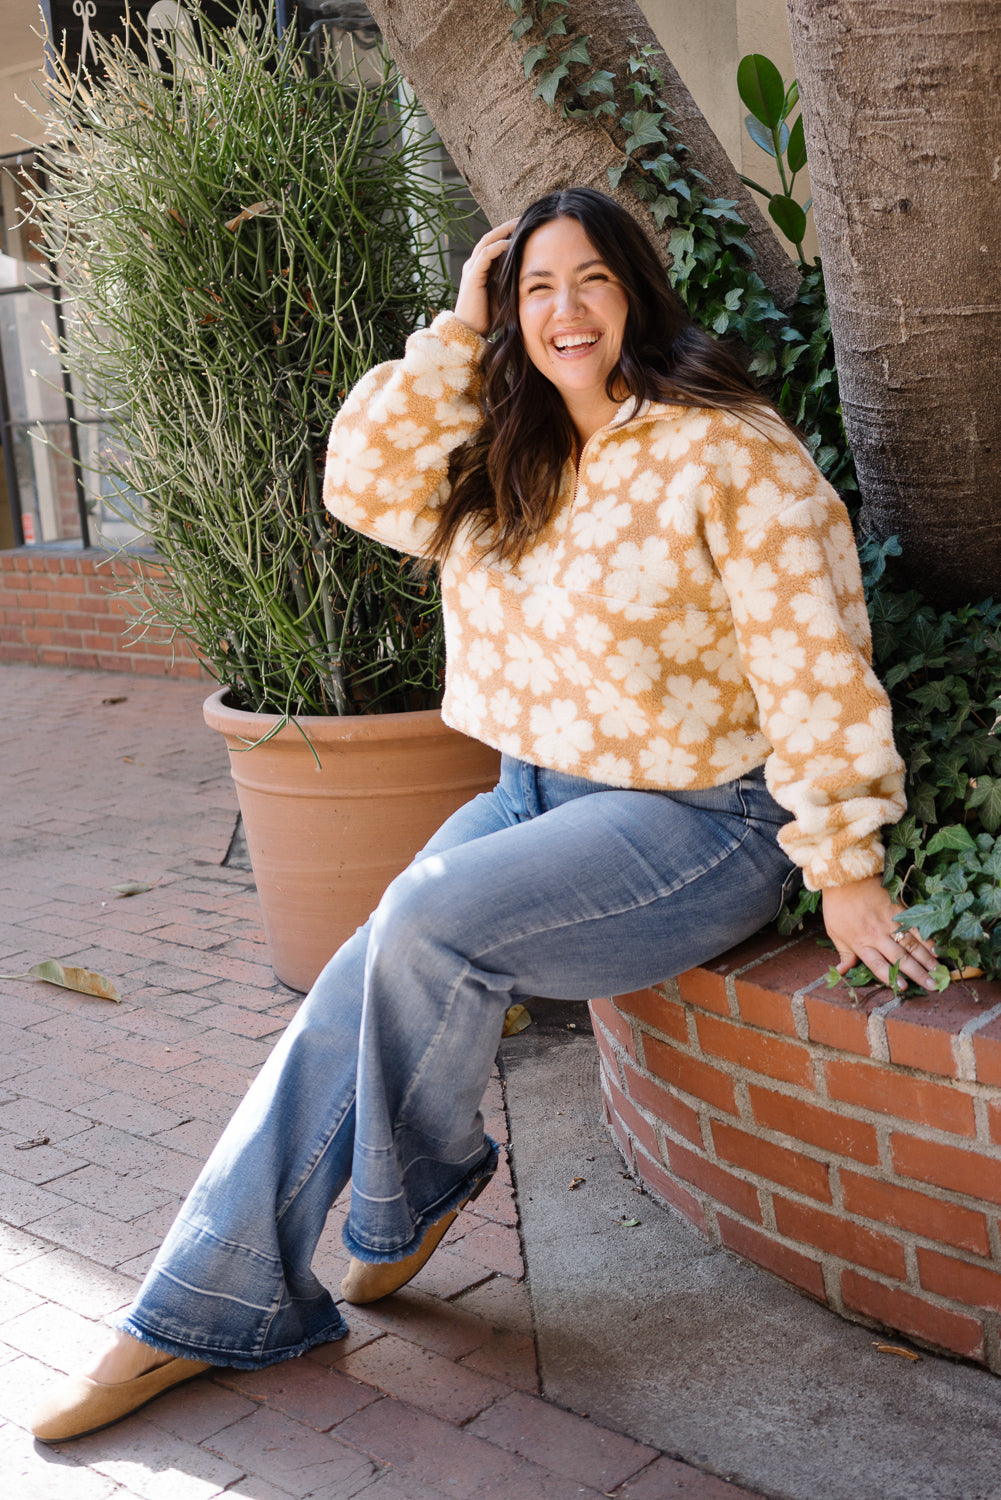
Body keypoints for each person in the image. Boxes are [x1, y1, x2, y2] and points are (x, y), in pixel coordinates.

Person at [31, 186, 939, 1444]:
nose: (565, 311)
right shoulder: (508, 451)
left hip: (701, 820)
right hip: (530, 796)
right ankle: (198, 1307)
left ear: (636, 293)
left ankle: (405, 1202)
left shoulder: (727, 451)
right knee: (357, 980)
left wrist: (842, 861)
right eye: (534, 288)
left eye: (591, 280)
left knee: (425, 917)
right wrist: (457, 331)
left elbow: (813, 659)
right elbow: (359, 481)